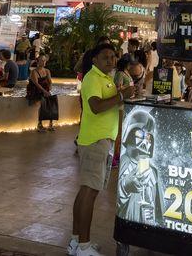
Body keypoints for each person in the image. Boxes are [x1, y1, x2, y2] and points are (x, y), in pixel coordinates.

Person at [69, 43, 135, 256]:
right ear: (94, 60)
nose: (111, 60)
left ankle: (76, 241)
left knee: (86, 191)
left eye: (114, 57)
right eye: (106, 57)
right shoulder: (92, 78)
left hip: (102, 141)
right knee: (90, 192)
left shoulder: (106, 79)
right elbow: (96, 107)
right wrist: (122, 96)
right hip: (95, 142)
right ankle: (83, 246)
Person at [28, 55, 56, 131]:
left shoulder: (47, 71)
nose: (44, 62)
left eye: (45, 60)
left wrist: (50, 87)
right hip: (35, 90)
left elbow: (50, 82)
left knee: (52, 101)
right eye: (42, 60)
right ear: (37, 62)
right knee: (43, 102)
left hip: (44, 90)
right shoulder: (34, 72)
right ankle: (39, 124)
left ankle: (50, 123)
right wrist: (45, 92)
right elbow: (36, 84)